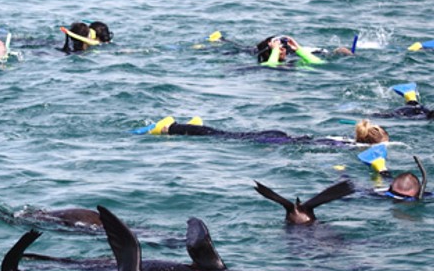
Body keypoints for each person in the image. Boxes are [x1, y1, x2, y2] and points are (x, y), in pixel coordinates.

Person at [135, 116, 387, 146]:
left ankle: (187, 127)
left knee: (224, 134)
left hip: (279, 135)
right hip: (276, 140)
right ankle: (169, 127)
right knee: (223, 137)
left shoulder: (346, 141)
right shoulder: (348, 146)